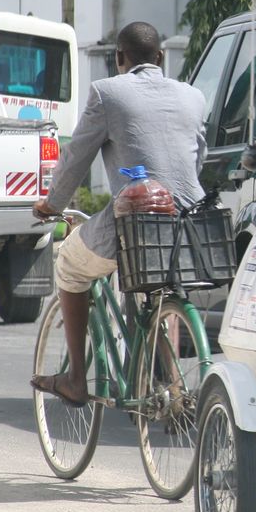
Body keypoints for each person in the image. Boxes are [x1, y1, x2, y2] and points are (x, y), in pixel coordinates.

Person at [31, 21, 207, 404]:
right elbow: (198, 159)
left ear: (119, 58)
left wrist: (52, 204)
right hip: (188, 225)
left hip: (133, 221)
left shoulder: (107, 92)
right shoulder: (193, 96)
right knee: (155, 282)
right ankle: (170, 383)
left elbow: (77, 155)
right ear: (161, 57)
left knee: (70, 268)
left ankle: (76, 379)